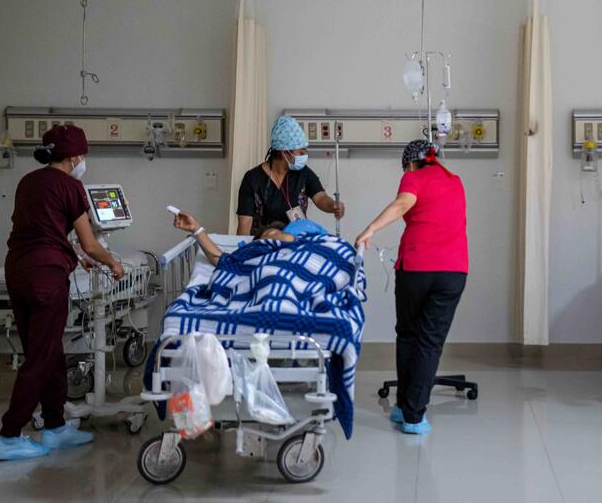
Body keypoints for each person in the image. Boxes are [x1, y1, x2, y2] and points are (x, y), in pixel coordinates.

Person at [0, 125, 124, 461]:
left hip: (17, 269)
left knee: (47, 352)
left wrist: (74, 253)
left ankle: (55, 426)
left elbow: (41, 229)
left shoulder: (28, 182)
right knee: (41, 357)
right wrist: (113, 263)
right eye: (83, 155)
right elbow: (92, 243)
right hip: (45, 277)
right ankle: (8, 436)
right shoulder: (71, 186)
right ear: (76, 155)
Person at [355, 140, 468, 435]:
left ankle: (410, 412)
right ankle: (409, 411)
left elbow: (403, 203)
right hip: (453, 272)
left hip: (417, 269)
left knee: (408, 336)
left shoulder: (413, 177)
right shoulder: (455, 182)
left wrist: (370, 229)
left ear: (409, 164)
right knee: (429, 342)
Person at [236, 115, 345, 236]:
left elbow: (320, 197)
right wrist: (242, 250)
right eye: (301, 152)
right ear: (285, 153)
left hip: (298, 242)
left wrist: (333, 206)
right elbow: (245, 223)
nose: (304, 155)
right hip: (264, 243)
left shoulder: (303, 173)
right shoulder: (252, 179)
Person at [171, 212, 328, 266]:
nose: (275, 238)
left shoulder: (300, 239)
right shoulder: (253, 253)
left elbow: (288, 238)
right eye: (268, 236)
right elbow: (220, 259)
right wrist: (196, 229)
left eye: (274, 233)